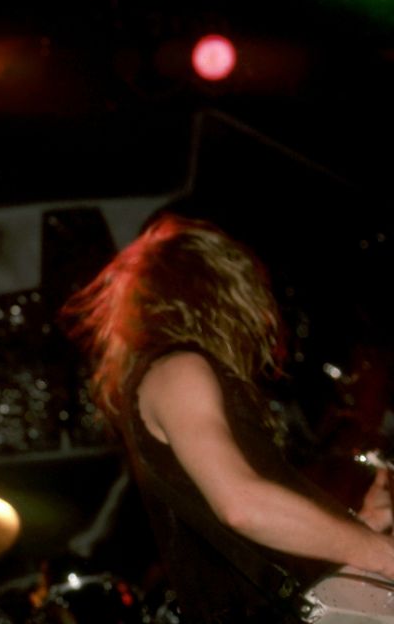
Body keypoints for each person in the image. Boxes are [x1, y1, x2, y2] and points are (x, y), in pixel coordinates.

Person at [60, 213, 394, 622]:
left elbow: (256, 541)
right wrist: (381, 554)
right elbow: (243, 505)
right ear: (220, 289)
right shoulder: (179, 368)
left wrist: (362, 526)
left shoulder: (178, 377)